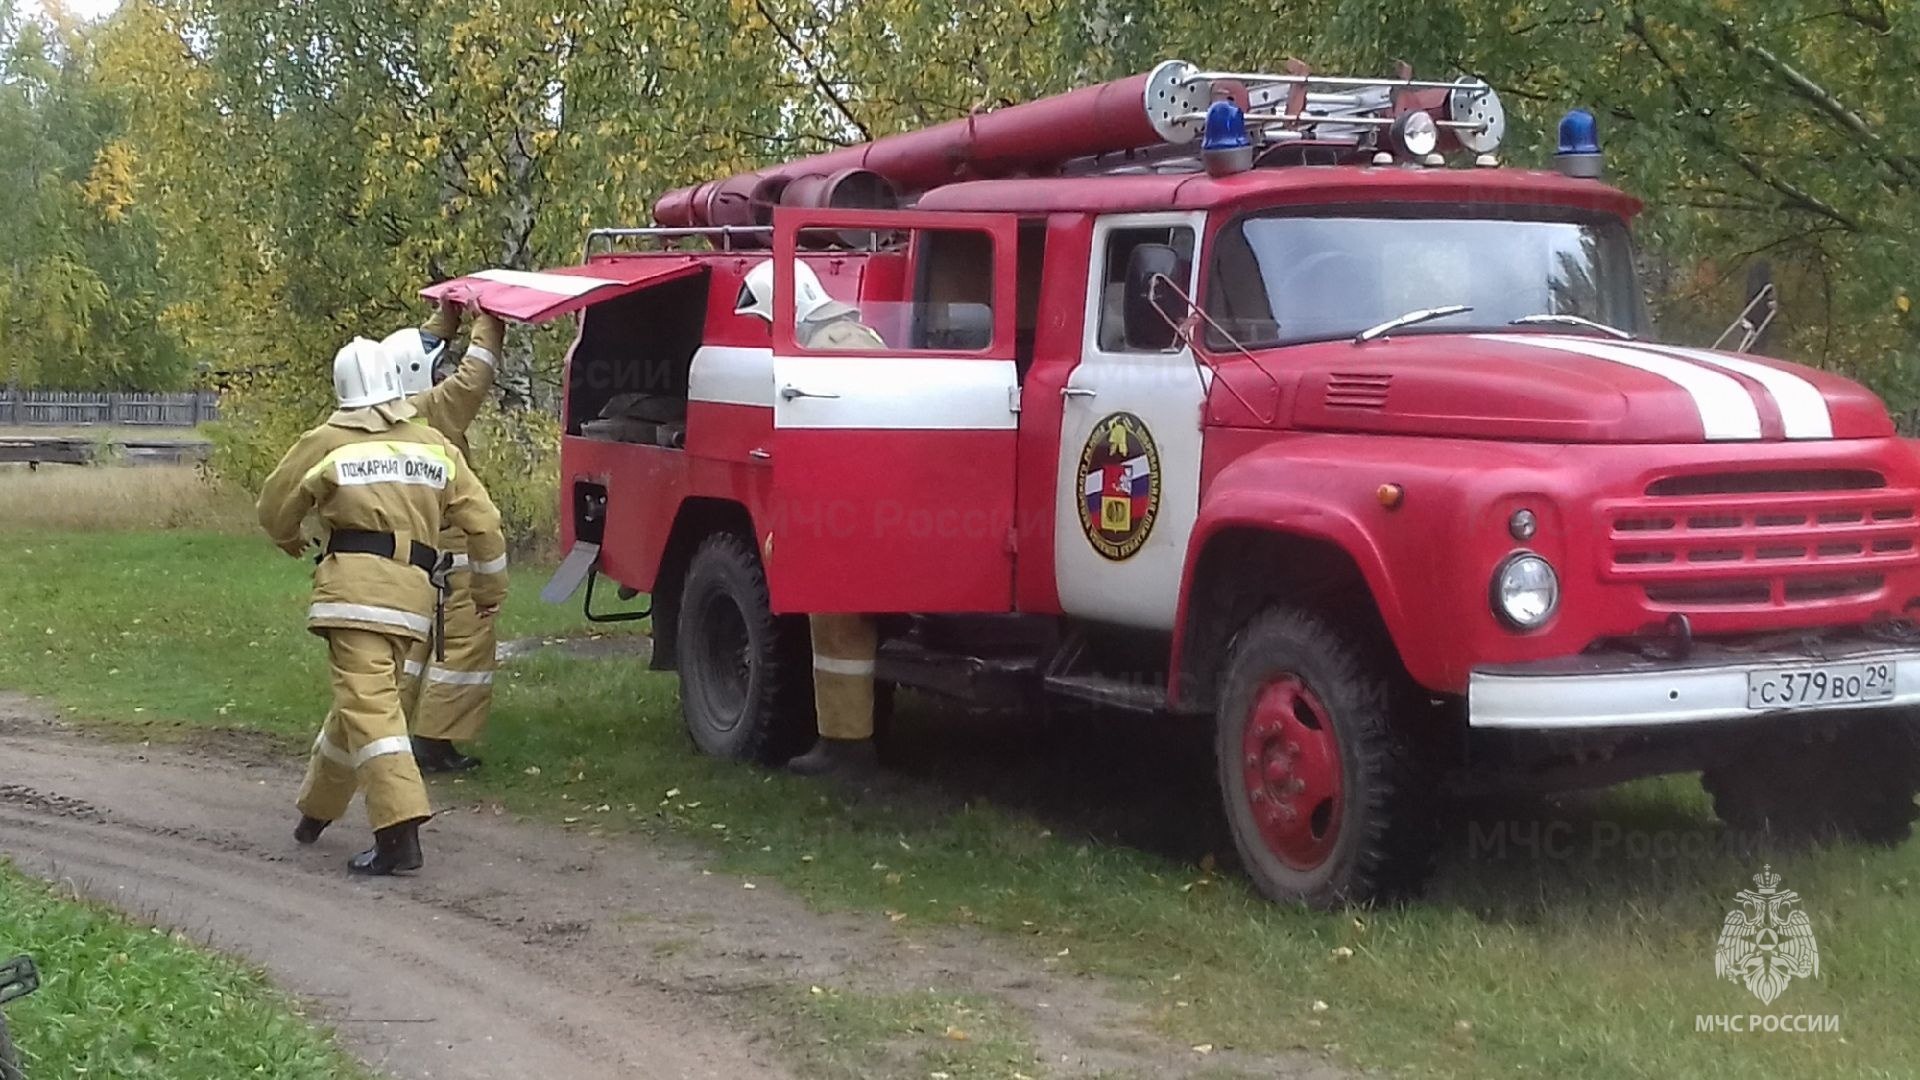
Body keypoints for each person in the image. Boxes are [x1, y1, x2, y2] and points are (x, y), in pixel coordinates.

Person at [257, 337, 508, 875]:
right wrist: (489, 591)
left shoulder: (325, 441)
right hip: (413, 599)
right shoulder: (437, 446)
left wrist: (286, 537)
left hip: (354, 597)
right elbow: (485, 526)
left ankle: (399, 835)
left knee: (372, 709)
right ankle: (315, 813)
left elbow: (274, 507)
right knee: (363, 704)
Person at [736, 259, 886, 778]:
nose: (766, 332)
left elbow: (845, 441)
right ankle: (841, 739)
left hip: (850, 507)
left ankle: (847, 748)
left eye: (766, 319)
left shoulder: (831, 349)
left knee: (840, 618)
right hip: (852, 503)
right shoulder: (847, 337)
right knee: (832, 616)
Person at [385, 300, 507, 773]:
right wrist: (489, 319)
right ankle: (436, 743)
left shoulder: (389, 408)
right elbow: (474, 377)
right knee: (464, 644)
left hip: (413, 546)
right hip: (453, 547)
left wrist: (447, 317)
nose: (441, 375)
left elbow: (415, 353)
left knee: (414, 645)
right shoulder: (433, 408)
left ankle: (394, 730)